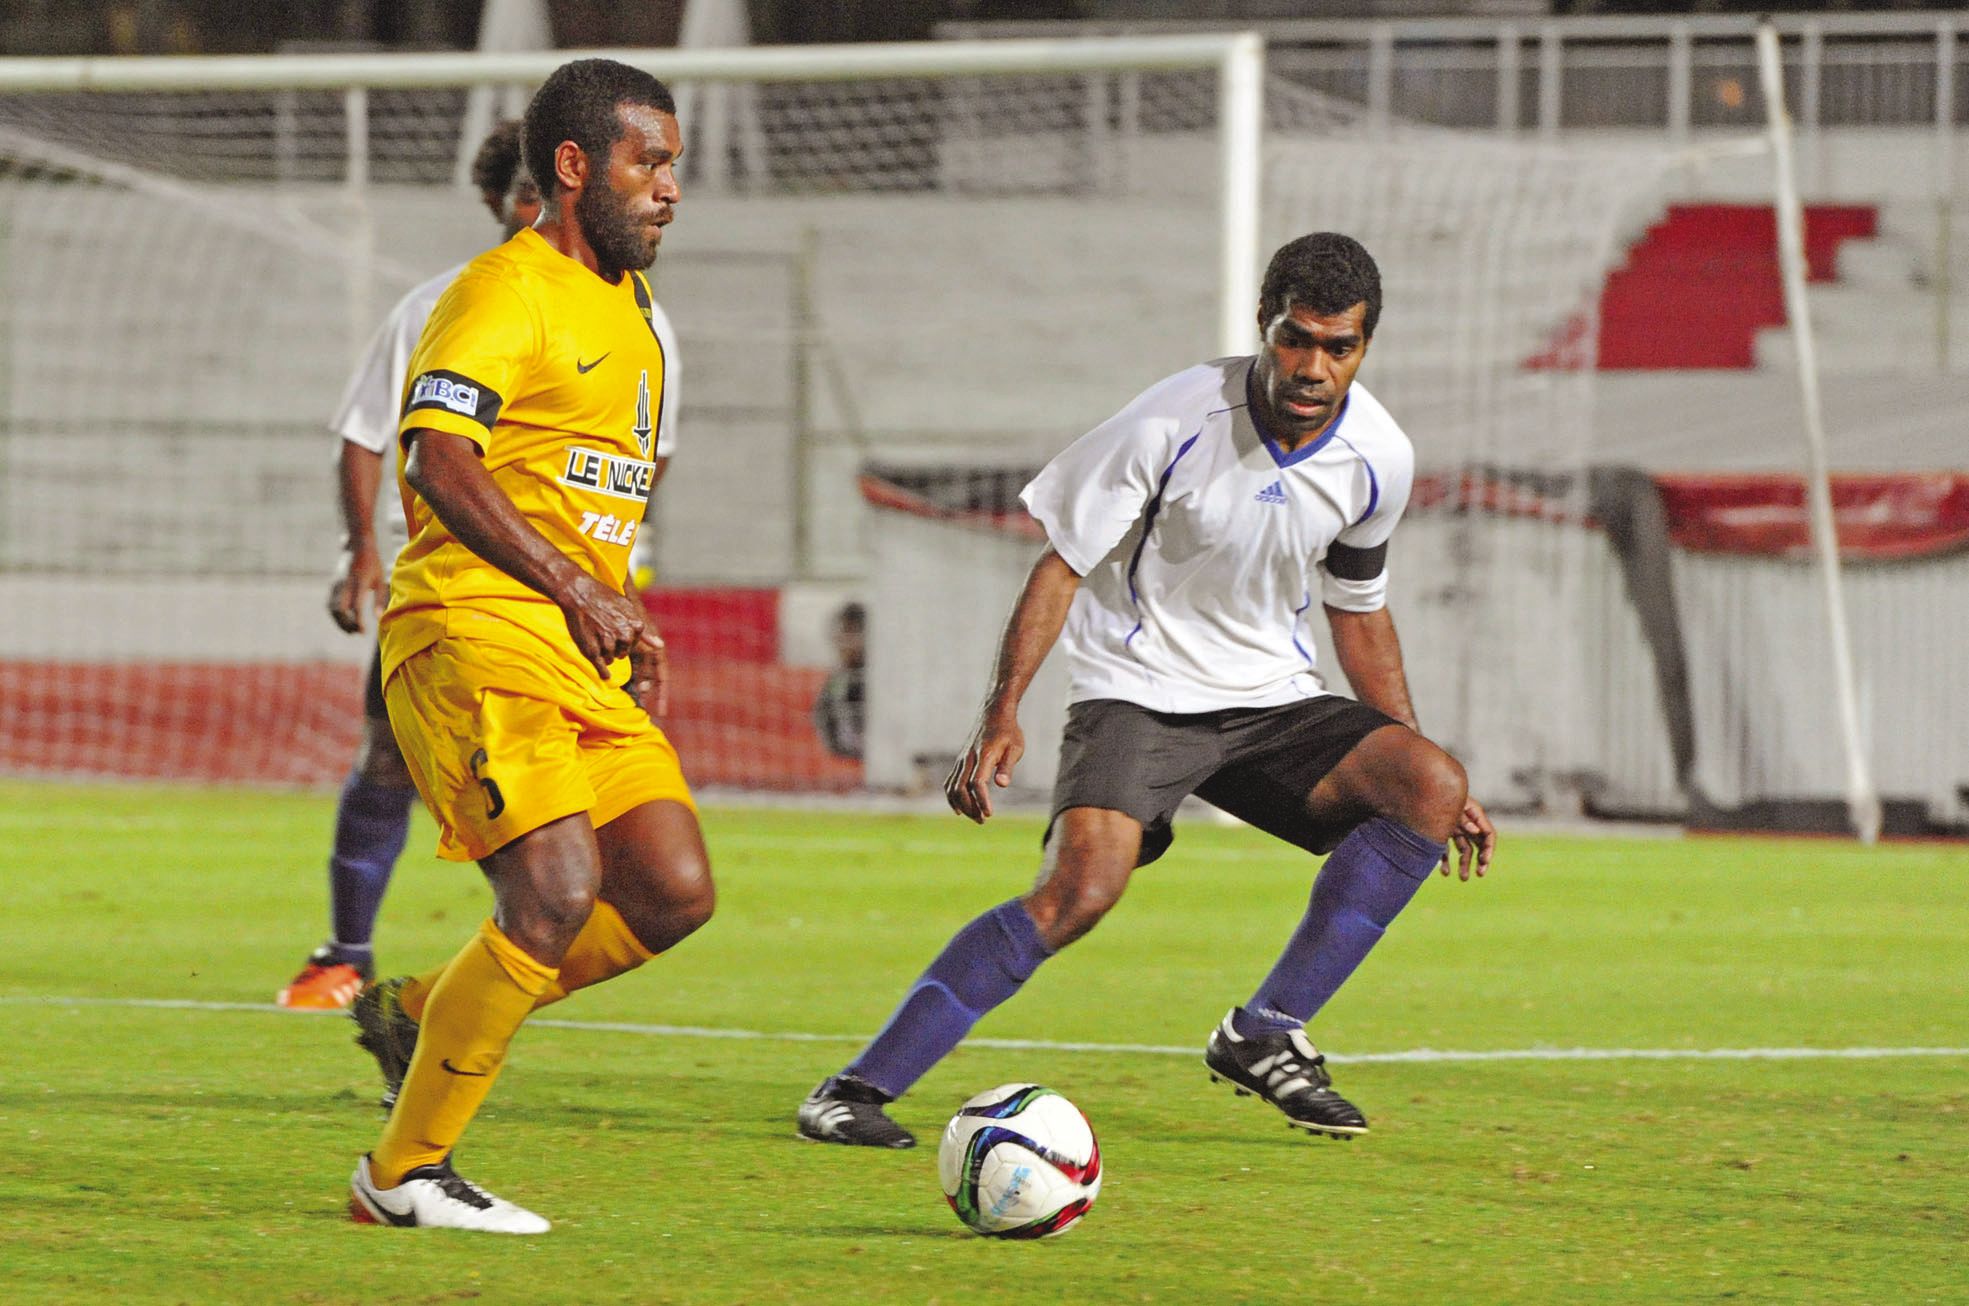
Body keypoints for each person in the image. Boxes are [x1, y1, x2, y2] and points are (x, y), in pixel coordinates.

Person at [797, 233, 1496, 1150]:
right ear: (1262, 324)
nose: (1312, 366)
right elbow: (1060, 569)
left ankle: (1265, 1033)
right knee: (1078, 892)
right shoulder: (1169, 421)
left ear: (1364, 347)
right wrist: (1000, 713)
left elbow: (1357, 611)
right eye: (1296, 338)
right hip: (1136, 692)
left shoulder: (1378, 456)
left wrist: (1415, 756)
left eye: (1339, 348)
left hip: (1271, 702)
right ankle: (853, 1090)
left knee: (1430, 786)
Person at [344, 59, 709, 1234]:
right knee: (554, 889)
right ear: (572, 167)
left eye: (674, 166)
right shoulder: (505, 289)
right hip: (468, 627)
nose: (669, 189)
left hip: (570, 647)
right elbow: (435, 457)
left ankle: (420, 1008)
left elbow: (591, 501)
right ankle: (401, 1175)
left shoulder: (641, 320)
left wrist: (621, 611)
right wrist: (569, 586)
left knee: (669, 888)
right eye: (649, 162)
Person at [274, 121, 542, 1010]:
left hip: (562, 595)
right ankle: (344, 953)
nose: (537, 208)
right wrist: (362, 552)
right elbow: (364, 433)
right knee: (389, 758)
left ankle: (539, 954)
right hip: (442, 584)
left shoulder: (639, 319)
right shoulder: (436, 305)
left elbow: (644, 459)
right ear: (496, 200)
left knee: (568, 784)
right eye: (524, 191)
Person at [811, 601, 866, 760]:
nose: (842, 641)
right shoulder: (837, 680)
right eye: (841, 632)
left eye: (849, 633)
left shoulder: (873, 679)